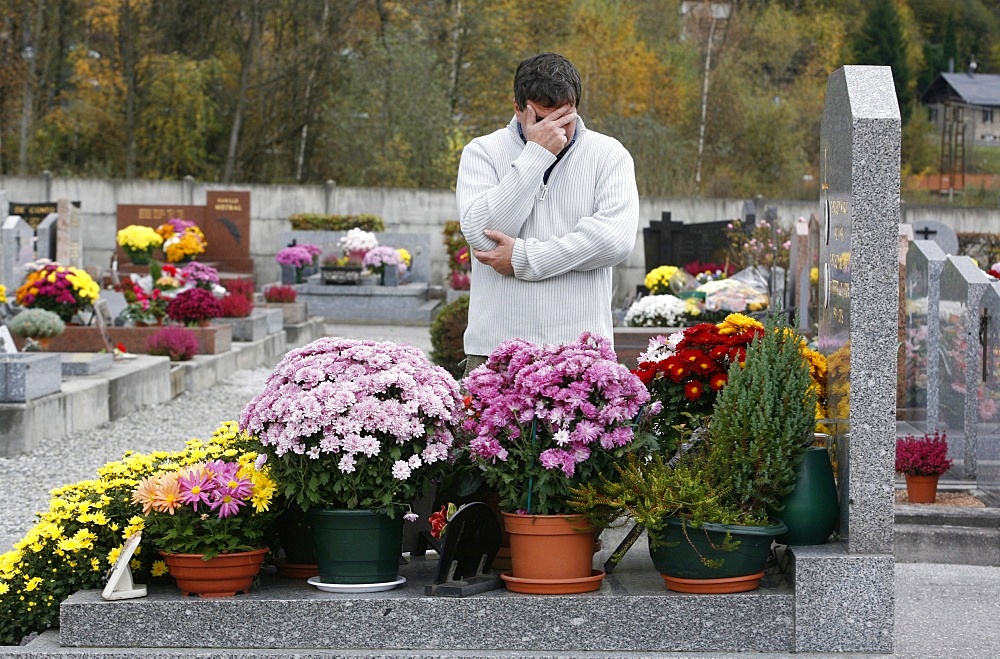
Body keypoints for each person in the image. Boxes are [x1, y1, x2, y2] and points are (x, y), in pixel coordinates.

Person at [456, 52, 639, 377]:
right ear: (517, 106)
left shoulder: (610, 155)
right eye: (541, 120)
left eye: (564, 120)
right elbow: (483, 236)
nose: (556, 132)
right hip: (495, 352)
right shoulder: (482, 151)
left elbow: (614, 241)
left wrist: (524, 257)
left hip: (583, 354)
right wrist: (536, 155)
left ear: (577, 107)